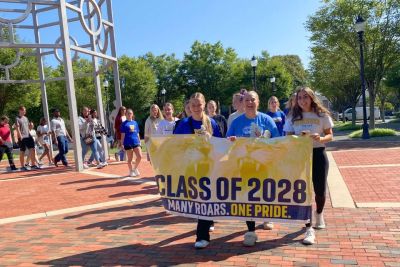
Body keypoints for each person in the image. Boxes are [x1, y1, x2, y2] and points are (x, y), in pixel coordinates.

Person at [226, 90, 279, 247]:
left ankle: (266, 217)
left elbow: (278, 141)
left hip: (263, 164)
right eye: (247, 100)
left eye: (253, 99)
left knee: (264, 193)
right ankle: (250, 231)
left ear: (258, 102)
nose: (250, 102)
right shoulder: (236, 122)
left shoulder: (267, 120)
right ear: (243, 103)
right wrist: (232, 141)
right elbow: (227, 141)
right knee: (247, 197)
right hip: (244, 165)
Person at [283, 86, 333, 245]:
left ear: (311, 97)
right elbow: (288, 138)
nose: (302, 100)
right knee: (303, 192)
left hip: (318, 154)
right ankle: (308, 227)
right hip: (301, 157)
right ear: (296, 100)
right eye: (299, 97)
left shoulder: (321, 114)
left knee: (320, 191)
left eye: (305, 97)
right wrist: (297, 139)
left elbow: (330, 135)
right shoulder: (292, 116)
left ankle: (319, 213)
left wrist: (321, 138)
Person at [173, 92, 222, 249]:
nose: (196, 108)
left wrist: (210, 139)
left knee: (205, 199)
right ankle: (208, 221)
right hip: (190, 167)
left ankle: (202, 236)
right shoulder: (182, 124)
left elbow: (221, 144)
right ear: (189, 106)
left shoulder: (212, 123)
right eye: (193, 105)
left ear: (204, 105)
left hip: (208, 166)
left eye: (199, 104)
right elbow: (175, 145)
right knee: (197, 199)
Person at [15, 106, 39, 170]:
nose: (25, 111)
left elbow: (28, 127)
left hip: (28, 136)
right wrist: (20, 137)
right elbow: (17, 128)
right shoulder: (17, 118)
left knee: (33, 149)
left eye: (25, 110)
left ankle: (33, 165)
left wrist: (30, 134)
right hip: (22, 137)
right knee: (22, 151)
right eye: (24, 110)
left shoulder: (26, 118)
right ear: (20, 110)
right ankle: (22, 166)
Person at [120, 108, 142, 177]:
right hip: (127, 143)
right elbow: (122, 135)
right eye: (128, 113)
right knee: (130, 159)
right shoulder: (124, 124)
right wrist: (122, 144)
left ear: (132, 114)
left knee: (140, 156)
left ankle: (135, 168)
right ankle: (131, 171)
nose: (129, 114)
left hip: (136, 142)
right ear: (125, 114)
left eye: (130, 113)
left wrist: (139, 141)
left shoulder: (135, 123)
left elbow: (137, 133)